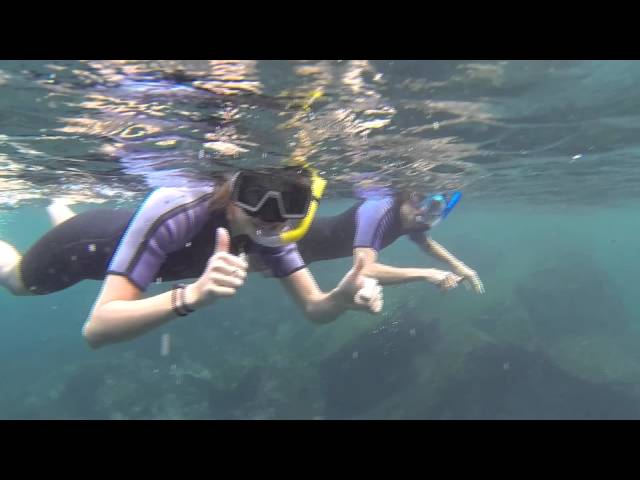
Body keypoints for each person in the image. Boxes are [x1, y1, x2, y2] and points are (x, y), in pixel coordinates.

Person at [0, 165, 383, 348]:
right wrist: (192, 296)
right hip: (81, 249)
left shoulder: (270, 229)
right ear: (233, 186)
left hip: (115, 239)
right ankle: (55, 221)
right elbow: (96, 329)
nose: (270, 215)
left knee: (89, 237)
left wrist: (340, 300)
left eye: (289, 205)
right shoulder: (180, 207)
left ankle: (59, 208)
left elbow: (315, 309)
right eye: (256, 195)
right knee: (17, 281)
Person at [296, 188, 485, 294]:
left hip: (302, 256)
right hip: (291, 239)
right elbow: (365, 270)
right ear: (408, 195)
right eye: (422, 205)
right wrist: (429, 273)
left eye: (431, 212)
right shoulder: (377, 209)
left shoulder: (410, 216)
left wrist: (458, 266)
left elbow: (426, 243)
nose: (423, 217)